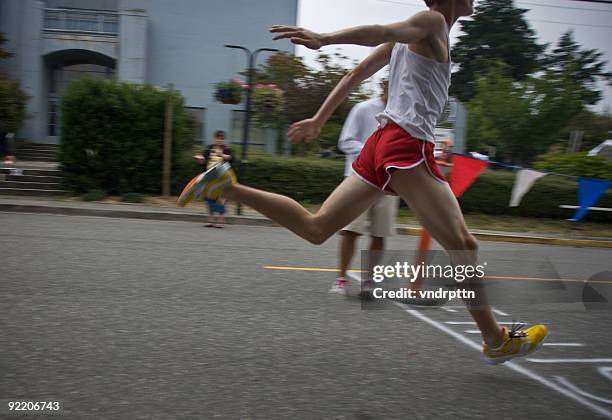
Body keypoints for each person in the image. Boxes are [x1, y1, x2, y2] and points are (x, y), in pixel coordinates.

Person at [179, 0, 547, 364]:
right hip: (406, 145)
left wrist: (319, 119)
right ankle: (495, 340)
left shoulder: (414, 38)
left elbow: (354, 75)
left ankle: (225, 186)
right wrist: (324, 39)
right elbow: (380, 33)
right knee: (463, 244)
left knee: (317, 227)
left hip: (381, 144)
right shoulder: (433, 21)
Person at [331, 81, 399, 295]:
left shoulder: (404, 115)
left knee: (380, 234)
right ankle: (341, 278)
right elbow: (345, 141)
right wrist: (373, 151)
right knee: (351, 230)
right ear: (384, 85)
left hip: (388, 181)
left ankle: (369, 280)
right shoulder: (363, 109)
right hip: (359, 179)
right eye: (392, 83)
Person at [194, 130, 233, 228]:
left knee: (221, 198)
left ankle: (221, 220)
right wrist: (200, 159)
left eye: (221, 139)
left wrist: (221, 155)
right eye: (217, 138)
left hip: (222, 177)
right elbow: (203, 160)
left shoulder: (227, 149)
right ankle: (211, 220)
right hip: (210, 177)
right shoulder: (209, 148)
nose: (219, 140)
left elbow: (230, 158)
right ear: (214, 139)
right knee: (208, 197)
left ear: (223, 140)